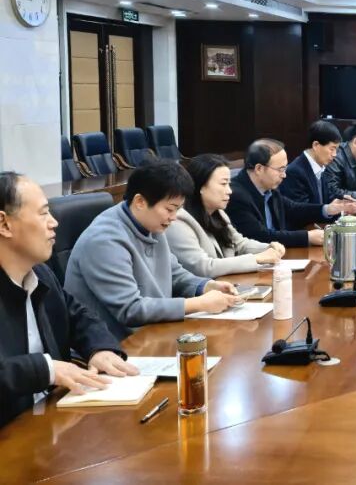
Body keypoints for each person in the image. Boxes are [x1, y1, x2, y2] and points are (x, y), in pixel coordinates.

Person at [0, 172, 140, 428]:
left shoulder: (41, 273)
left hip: (52, 419)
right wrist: (47, 370)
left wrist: (99, 349)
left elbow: (78, 316)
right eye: (43, 213)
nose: (54, 223)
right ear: (4, 224)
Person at [65, 160, 243, 340]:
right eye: (170, 209)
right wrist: (198, 304)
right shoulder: (104, 240)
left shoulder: (151, 223)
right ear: (140, 202)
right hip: (114, 345)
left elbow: (174, 274)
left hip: (154, 333)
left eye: (178, 209)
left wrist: (205, 286)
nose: (174, 218)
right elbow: (131, 309)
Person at [166, 154, 286, 278]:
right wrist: (256, 259)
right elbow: (203, 267)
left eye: (229, 184)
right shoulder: (178, 220)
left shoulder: (218, 213)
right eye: (223, 184)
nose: (229, 191)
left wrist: (268, 248)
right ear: (200, 186)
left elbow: (239, 244)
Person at [227, 138, 356, 249]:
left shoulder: (269, 187)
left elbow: (293, 208)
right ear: (259, 169)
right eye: (280, 169)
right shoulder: (236, 195)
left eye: (285, 168)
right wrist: (307, 237)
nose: (284, 175)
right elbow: (260, 236)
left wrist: (328, 209)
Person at [279, 120, 341, 205]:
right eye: (332, 149)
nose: (335, 154)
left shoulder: (321, 167)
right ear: (316, 145)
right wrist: (328, 209)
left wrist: (342, 202)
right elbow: (301, 209)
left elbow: (326, 199)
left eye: (336, 150)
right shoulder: (294, 172)